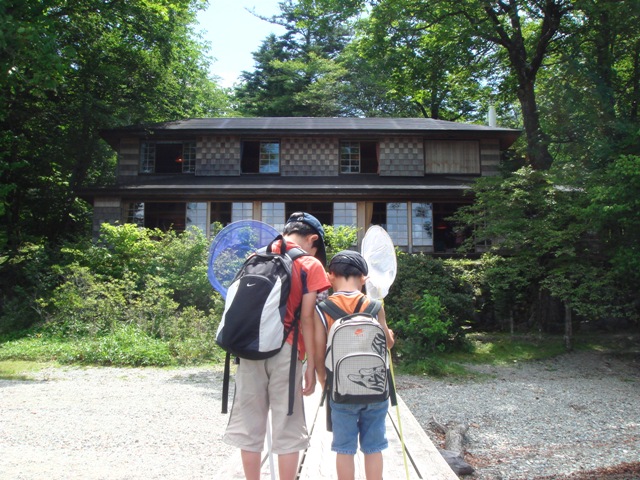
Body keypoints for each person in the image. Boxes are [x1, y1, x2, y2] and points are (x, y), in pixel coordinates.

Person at [223, 212, 331, 480]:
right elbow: (307, 318)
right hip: (287, 352)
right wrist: (309, 364)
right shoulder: (309, 264)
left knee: (249, 427)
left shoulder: (254, 257)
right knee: (287, 427)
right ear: (312, 239)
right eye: (316, 248)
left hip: (249, 349)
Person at [314, 250, 395, 480]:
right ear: (364, 278)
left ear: (330, 276)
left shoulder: (323, 308)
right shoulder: (374, 305)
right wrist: (390, 333)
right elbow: (387, 344)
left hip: (341, 391)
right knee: (374, 447)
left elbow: (319, 352)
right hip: (376, 389)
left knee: (344, 449)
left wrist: (323, 382)